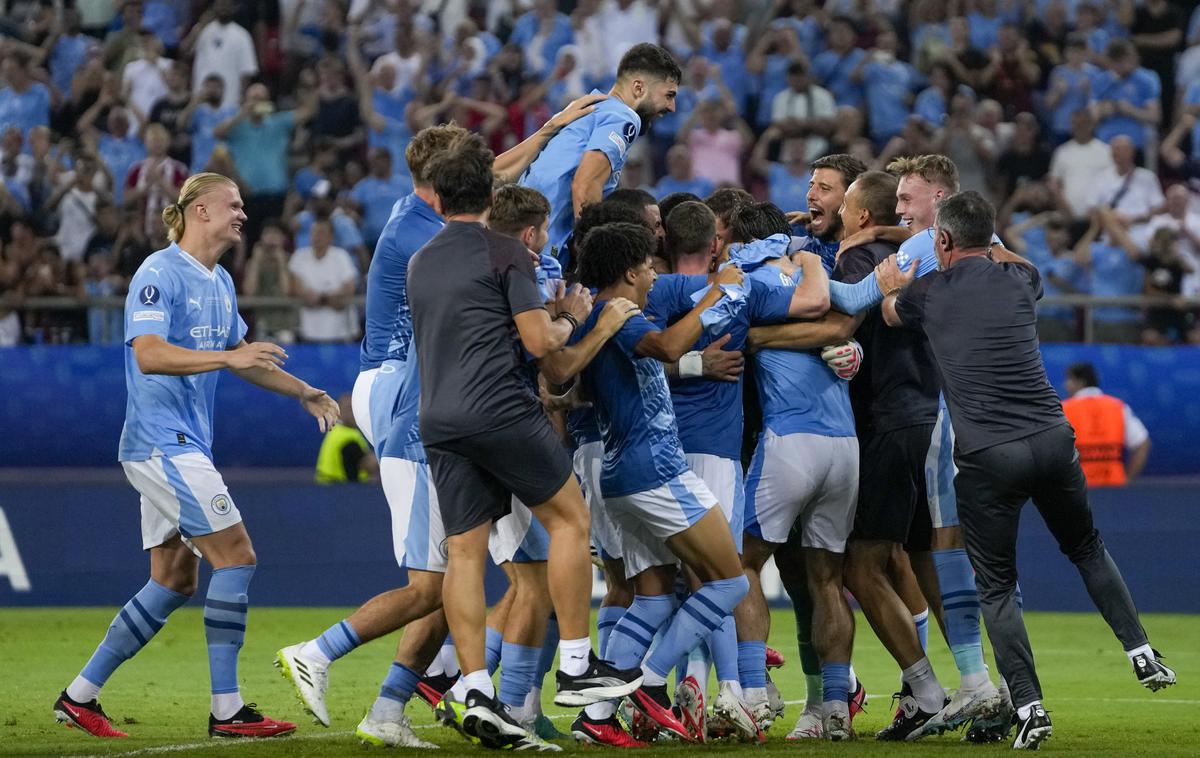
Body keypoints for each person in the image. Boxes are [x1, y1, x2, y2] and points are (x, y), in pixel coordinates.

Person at [275, 98, 609, 750]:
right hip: (408, 387)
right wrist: (560, 303)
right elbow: (492, 208)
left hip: (434, 396)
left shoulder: (430, 228)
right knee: (459, 573)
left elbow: (484, 186)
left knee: (474, 569)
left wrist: (544, 130)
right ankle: (357, 659)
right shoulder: (425, 234)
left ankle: (436, 695)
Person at [882, 190, 1177, 750]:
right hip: (1051, 438)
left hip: (988, 455)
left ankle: (1030, 706)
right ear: (990, 240)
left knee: (996, 586)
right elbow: (1018, 263)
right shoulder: (1022, 279)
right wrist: (993, 241)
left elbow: (889, 311)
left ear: (942, 241)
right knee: (1087, 548)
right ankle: (1140, 649)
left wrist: (896, 270)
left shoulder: (928, 290)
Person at [54, 172, 340, 740]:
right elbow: (151, 356)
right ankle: (227, 709)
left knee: (174, 579)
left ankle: (79, 695)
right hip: (161, 443)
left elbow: (242, 355)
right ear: (200, 210)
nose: (243, 214)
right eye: (233, 205)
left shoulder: (222, 281)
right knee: (236, 557)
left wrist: (302, 391)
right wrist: (229, 360)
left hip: (184, 442)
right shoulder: (157, 273)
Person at [407, 133, 642, 749]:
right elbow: (541, 344)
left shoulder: (421, 258)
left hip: (440, 420)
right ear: (490, 191)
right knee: (570, 521)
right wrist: (568, 312)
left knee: (465, 554)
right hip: (501, 409)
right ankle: (573, 664)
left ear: (437, 198)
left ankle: (476, 686)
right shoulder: (506, 251)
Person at [519, 42, 680, 266]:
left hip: (524, 233)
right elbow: (585, 186)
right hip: (543, 246)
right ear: (638, 88)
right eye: (669, 95)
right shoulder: (624, 117)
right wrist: (596, 262)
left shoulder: (591, 106)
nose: (672, 107)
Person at [1063, 363, 1152, 487]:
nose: (1066, 385)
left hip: (1077, 491)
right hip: (1114, 490)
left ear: (1079, 382)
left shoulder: (1064, 410)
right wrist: (1127, 479)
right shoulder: (1118, 407)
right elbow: (1143, 443)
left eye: (1069, 380)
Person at [315, 393, 378, 484]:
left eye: (355, 408)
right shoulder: (346, 438)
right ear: (337, 412)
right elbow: (370, 465)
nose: (353, 412)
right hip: (339, 490)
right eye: (349, 409)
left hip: (329, 488)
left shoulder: (340, 431)